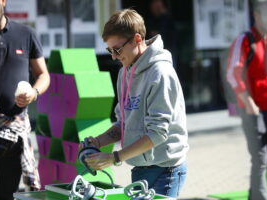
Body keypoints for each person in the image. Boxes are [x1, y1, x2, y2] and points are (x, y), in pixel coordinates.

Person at [79, 9, 188, 198]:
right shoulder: (124, 72)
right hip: (140, 167)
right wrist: (98, 142)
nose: (113, 56)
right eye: (109, 50)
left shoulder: (160, 72)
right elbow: (123, 123)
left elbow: (157, 133)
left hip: (167, 170)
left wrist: (114, 158)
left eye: (117, 49)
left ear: (137, 39)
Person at [0, 0, 50, 199]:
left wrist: (34, 93)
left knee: (7, 195)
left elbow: (43, 75)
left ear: (3, 1)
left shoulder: (26, 34)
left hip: (13, 133)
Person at [226, 0, 267, 199]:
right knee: (260, 157)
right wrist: (248, 102)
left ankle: (254, 194)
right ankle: (261, 196)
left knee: (265, 156)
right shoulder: (245, 40)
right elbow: (233, 74)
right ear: (256, 15)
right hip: (252, 111)